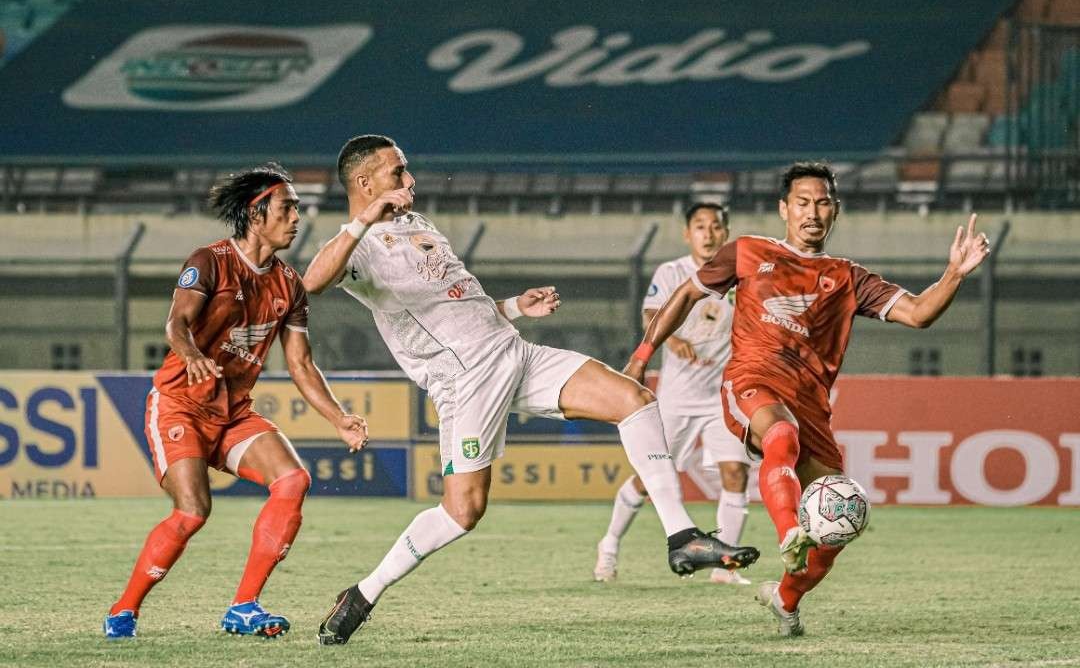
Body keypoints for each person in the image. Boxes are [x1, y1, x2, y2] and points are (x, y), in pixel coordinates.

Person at [302, 135, 761, 646]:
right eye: (397, 174)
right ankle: (362, 595)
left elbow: (461, 310)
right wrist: (365, 219)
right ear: (364, 184)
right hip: (466, 380)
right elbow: (312, 282)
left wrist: (516, 306)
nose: (409, 182)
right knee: (462, 513)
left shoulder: (417, 226)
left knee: (634, 400)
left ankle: (681, 537)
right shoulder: (358, 246)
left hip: (513, 352)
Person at [624, 162, 991, 637]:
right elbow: (683, 297)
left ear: (834, 211)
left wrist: (954, 274)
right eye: (802, 202)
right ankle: (788, 533)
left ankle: (784, 598)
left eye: (822, 202)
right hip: (750, 381)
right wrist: (640, 357)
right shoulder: (748, 252)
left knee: (844, 520)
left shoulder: (848, 277)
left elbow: (919, 314)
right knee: (780, 431)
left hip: (811, 404)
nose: (812, 212)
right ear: (784, 209)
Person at [103, 164, 369, 640]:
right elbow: (176, 324)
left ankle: (243, 606)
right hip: (179, 403)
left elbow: (302, 366)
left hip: (232, 413)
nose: (296, 217)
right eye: (287, 207)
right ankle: (124, 611)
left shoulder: (290, 286)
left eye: (297, 209)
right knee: (192, 512)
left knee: (293, 480)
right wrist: (191, 356)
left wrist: (339, 419)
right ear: (255, 212)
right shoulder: (210, 261)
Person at [594, 202, 755, 586]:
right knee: (649, 479)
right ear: (688, 234)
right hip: (678, 397)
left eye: (716, 226)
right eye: (700, 226)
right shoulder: (672, 272)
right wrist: (676, 339)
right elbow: (652, 314)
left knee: (736, 473)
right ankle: (610, 544)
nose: (708, 233)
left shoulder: (741, 276)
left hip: (722, 396)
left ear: (726, 232)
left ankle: (723, 568)